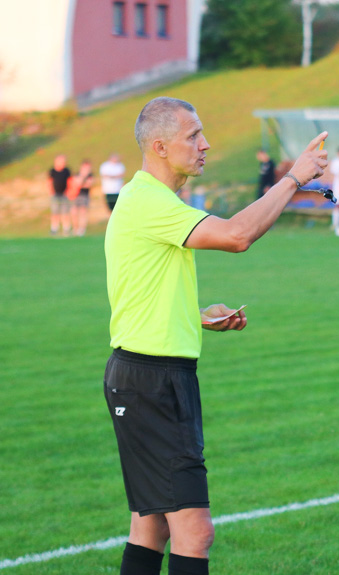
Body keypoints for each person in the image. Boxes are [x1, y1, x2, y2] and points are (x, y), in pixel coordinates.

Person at [103, 97, 327, 575]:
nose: (206, 145)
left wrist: (196, 315)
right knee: (194, 532)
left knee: (151, 527)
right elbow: (237, 235)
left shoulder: (150, 199)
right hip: (152, 384)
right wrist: (293, 178)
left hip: (146, 375)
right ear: (160, 147)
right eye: (193, 136)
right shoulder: (149, 200)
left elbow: (138, 289)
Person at [48, 154, 72, 236]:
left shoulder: (66, 171)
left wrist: (69, 191)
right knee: (55, 212)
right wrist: (51, 192)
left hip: (64, 194)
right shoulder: (52, 171)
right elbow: (50, 182)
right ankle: (54, 228)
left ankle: (66, 228)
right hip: (55, 195)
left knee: (65, 212)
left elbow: (70, 181)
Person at [71, 159, 95, 236]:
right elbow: (77, 184)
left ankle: (82, 229)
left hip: (85, 195)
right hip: (76, 195)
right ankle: (75, 228)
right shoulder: (78, 174)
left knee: (83, 212)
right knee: (74, 212)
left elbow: (88, 185)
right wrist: (83, 177)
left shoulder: (90, 175)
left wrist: (83, 181)